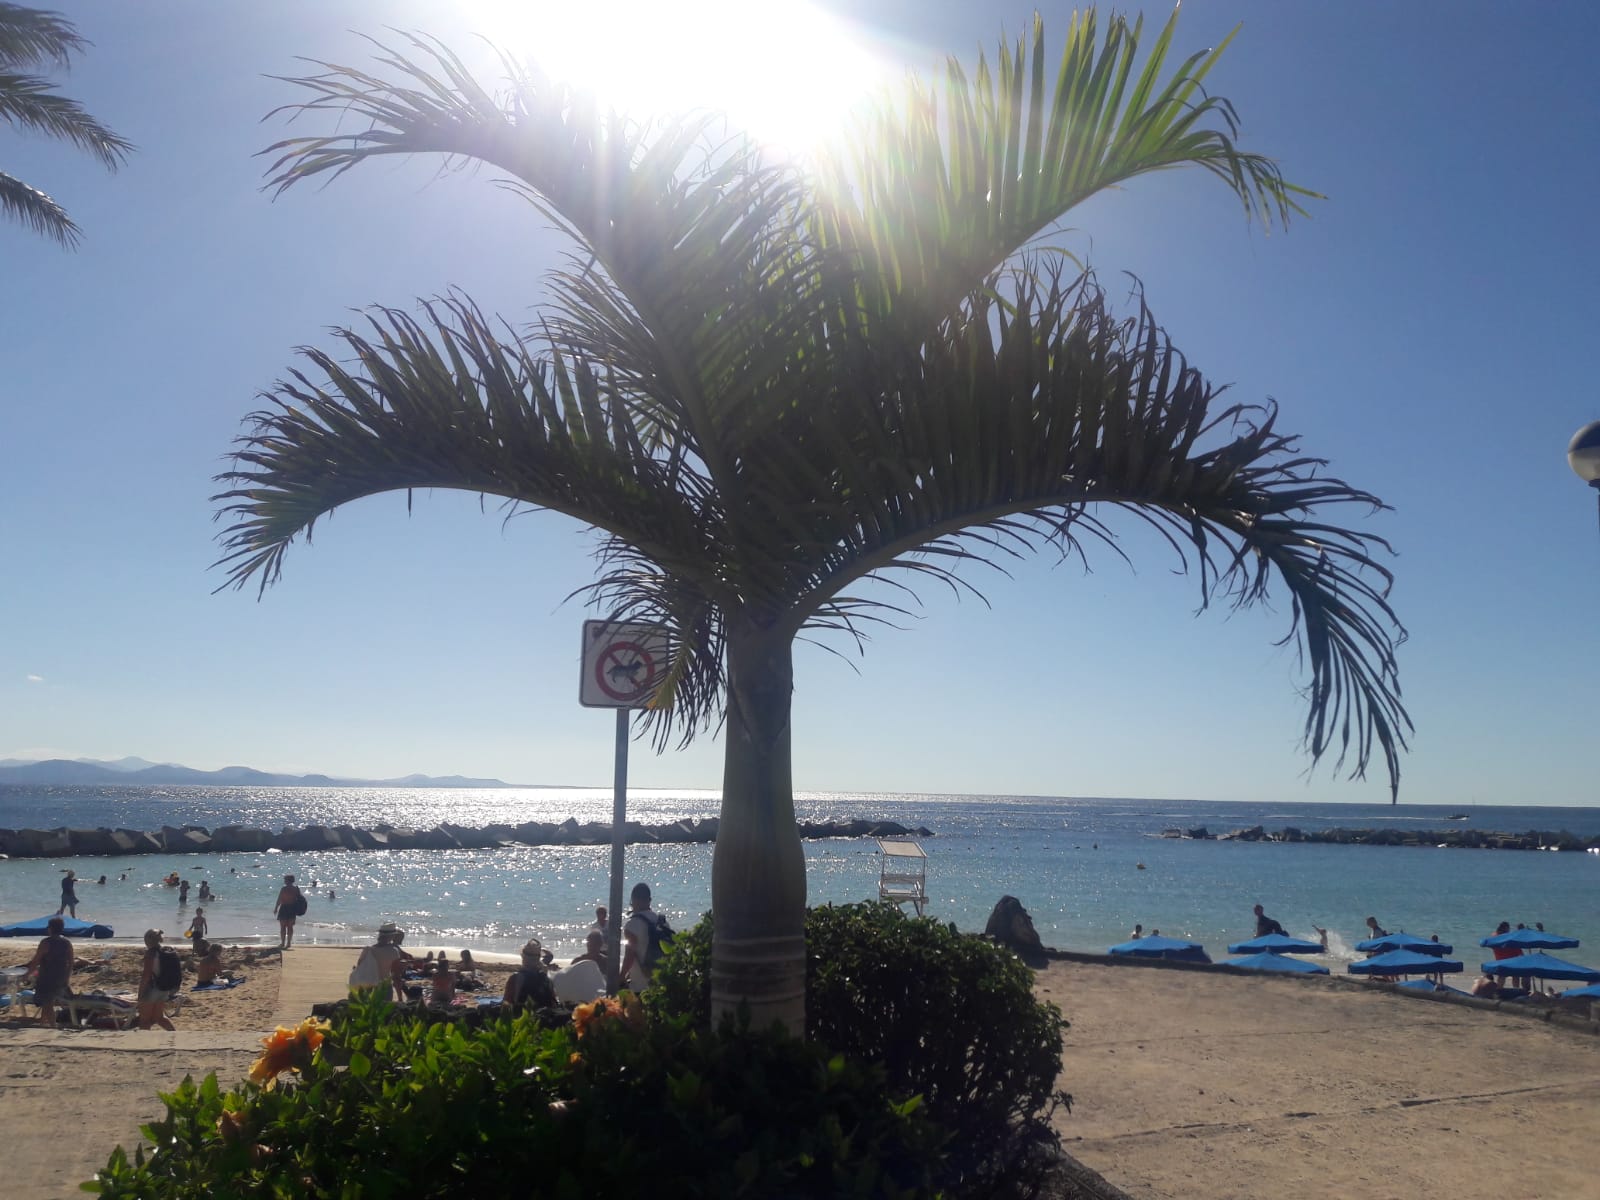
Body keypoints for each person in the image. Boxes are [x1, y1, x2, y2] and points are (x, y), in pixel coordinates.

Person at [23, 915, 75, 1028]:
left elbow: (36, 961)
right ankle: (43, 1024)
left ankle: (52, 1025)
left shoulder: (46, 943)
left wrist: (27, 974)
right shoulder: (67, 943)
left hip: (47, 977)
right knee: (49, 1000)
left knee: (47, 1002)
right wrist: (67, 977)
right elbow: (71, 962)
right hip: (61, 977)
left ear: (50, 928)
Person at [620, 882, 671, 990]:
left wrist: (621, 976)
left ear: (634, 900)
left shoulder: (632, 925)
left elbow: (630, 955)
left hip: (639, 986)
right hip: (660, 984)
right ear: (649, 900)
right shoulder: (662, 923)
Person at [138, 929, 178, 1031]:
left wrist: (140, 993)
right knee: (159, 1017)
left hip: (153, 988)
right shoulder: (166, 951)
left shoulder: (151, 954)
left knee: (144, 1020)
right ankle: (174, 1035)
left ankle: (143, 1043)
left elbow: (146, 975)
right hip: (164, 988)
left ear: (148, 941)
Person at [502, 939, 557, 1011]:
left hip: (522, 1015)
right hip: (544, 1017)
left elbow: (507, 1002)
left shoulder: (516, 978)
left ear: (523, 957)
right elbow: (553, 1001)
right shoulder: (546, 979)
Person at [274, 874, 304, 950]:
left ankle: (283, 943)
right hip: (292, 909)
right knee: (290, 927)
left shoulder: (284, 889)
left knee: (283, 927)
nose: (284, 881)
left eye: (285, 880)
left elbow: (279, 899)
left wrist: (276, 908)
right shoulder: (296, 889)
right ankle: (288, 943)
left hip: (284, 908)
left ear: (288, 880)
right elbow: (300, 900)